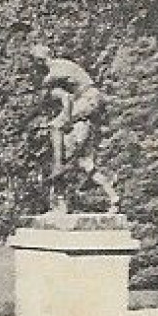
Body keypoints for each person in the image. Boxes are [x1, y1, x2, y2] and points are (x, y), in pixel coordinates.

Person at [28, 44, 118, 213]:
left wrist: (66, 120)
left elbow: (67, 99)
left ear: (39, 61)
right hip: (89, 101)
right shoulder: (63, 65)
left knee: (55, 126)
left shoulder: (53, 74)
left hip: (88, 98)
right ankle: (113, 197)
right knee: (82, 162)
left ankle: (57, 165)